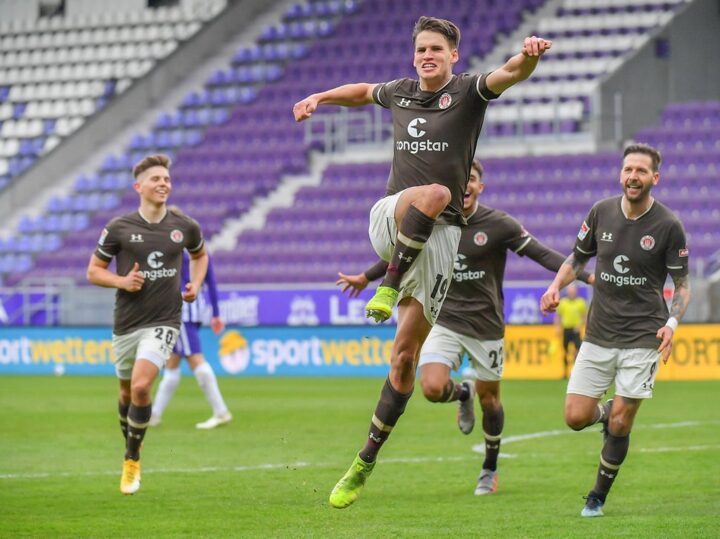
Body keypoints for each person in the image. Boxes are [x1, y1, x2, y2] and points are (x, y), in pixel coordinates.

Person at [294, 16, 552, 509]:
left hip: (441, 241)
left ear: (454, 55)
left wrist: (532, 56)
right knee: (434, 191)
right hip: (392, 217)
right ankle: (388, 287)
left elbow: (511, 72)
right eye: (421, 49)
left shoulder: (469, 91)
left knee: (405, 359)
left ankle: (364, 461)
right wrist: (320, 98)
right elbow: (361, 91)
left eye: (436, 49)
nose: (427, 56)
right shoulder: (400, 91)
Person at [338, 159, 591, 496]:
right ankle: (462, 392)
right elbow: (403, 248)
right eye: (463, 179)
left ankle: (489, 466)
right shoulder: (436, 220)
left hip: (486, 325)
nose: (467, 185)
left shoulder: (499, 224)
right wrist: (366, 277)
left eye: (472, 179)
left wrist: (590, 277)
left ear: (480, 187)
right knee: (430, 386)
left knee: (492, 401)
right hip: (445, 318)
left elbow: (542, 254)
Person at [540, 143, 690, 518]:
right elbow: (577, 258)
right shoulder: (601, 212)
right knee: (575, 417)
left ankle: (597, 496)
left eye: (641, 171)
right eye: (628, 170)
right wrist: (555, 286)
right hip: (599, 334)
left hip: (644, 336)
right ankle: (604, 414)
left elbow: (683, 285)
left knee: (623, 420)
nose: (633, 177)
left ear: (655, 178)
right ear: (620, 174)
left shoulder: (669, 225)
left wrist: (672, 324)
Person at [86, 154, 208, 495]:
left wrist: (195, 285)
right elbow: (93, 271)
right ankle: (131, 445)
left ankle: (131, 459)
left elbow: (200, 255)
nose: (163, 183)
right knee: (126, 391)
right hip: (126, 323)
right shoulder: (118, 228)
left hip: (165, 320)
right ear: (139, 186)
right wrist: (122, 282)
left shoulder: (184, 225)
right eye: (156, 179)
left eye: (167, 179)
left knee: (141, 386)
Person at [149, 247, 232, 429]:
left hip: (181, 312)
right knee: (172, 363)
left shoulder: (175, 250)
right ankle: (154, 415)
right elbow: (211, 281)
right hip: (191, 310)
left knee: (195, 359)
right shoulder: (200, 248)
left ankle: (221, 412)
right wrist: (216, 314)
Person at [554, 283, 587, 378]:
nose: (572, 293)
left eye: (573, 291)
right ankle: (565, 372)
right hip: (566, 328)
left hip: (576, 330)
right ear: (568, 292)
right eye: (570, 291)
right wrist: (558, 327)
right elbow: (558, 316)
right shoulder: (563, 302)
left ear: (576, 292)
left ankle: (576, 371)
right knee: (565, 350)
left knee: (578, 350)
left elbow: (584, 316)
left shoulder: (581, 302)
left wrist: (581, 325)